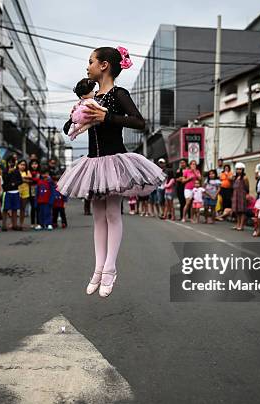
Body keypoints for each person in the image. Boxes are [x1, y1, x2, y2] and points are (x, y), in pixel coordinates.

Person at [57, 45, 164, 297]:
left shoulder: (118, 94)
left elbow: (139, 122)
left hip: (114, 162)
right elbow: (68, 127)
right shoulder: (90, 98)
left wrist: (108, 118)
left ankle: (110, 269)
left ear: (103, 65)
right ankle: (97, 269)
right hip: (93, 163)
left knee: (113, 213)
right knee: (97, 217)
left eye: (91, 61)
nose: (87, 66)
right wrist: (74, 116)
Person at [2, 160, 23, 231]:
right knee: (5, 209)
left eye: (12, 163)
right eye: (10, 162)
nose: (11, 164)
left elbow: (21, 181)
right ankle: (4, 225)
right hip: (7, 192)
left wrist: (15, 184)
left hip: (15, 191)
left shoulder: (17, 171)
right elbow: (4, 180)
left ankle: (15, 225)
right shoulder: (5, 171)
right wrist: (9, 172)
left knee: (15, 209)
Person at [231, 162, 250, 231]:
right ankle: (237, 224)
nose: (239, 171)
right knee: (237, 211)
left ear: (243, 170)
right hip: (235, 194)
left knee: (242, 211)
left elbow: (247, 187)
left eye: (240, 169)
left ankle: (241, 225)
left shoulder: (245, 177)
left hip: (242, 195)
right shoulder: (235, 177)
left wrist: (247, 194)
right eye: (237, 169)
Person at [28, 159, 40, 227]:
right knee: (33, 207)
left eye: (35, 164)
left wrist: (31, 179)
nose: (34, 165)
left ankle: (38, 222)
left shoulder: (39, 172)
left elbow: (38, 180)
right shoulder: (29, 172)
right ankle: (32, 223)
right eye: (33, 164)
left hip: (38, 190)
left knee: (38, 207)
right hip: (31, 190)